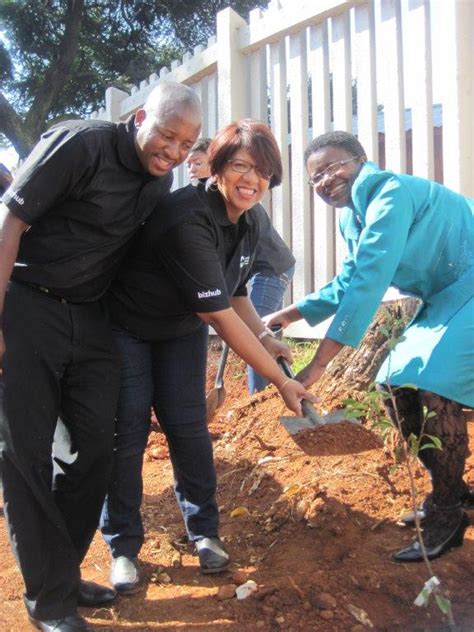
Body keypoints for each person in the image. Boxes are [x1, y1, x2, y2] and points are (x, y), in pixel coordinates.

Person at [0, 81, 202, 632]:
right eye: (168, 133)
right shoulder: (80, 143)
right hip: (26, 306)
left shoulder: (158, 186)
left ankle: (60, 575)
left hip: (90, 321)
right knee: (26, 458)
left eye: (187, 144)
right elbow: (9, 219)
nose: (175, 151)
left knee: (95, 452)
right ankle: (48, 599)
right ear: (140, 117)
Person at [100, 119, 315, 593]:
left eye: (261, 171)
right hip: (127, 328)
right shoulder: (187, 216)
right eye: (239, 165)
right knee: (127, 432)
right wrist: (280, 382)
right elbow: (218, 315)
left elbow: (236, 293)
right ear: (216, 167)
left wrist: (265, 335)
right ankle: (122, 547)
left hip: (179, 329)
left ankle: (205, 533)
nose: (250, 179)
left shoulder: (250, 219)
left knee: (189, 428)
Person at [265, 130, 474, 563]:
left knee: (434, 385)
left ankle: (449, 513)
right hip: (446, 295)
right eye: (315, 176)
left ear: (361, 160)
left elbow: (369, 278)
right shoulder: (351, 216)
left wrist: (319, 364)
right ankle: (455, 492)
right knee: (392, 384)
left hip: (468, 282)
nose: (325, 179)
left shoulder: (391, 193)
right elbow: (349, 279)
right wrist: (293, 313)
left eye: (334, 165)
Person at [185, 138, 296, 393]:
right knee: (254, 334)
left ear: (215, 162)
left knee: (256, 335)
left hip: (272, 269)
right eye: (189, 164)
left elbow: (231, 302)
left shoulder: (245, 209)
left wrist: (263, 337)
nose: (191, 169)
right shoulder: (202, 208)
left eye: (198, 163)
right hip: (250, 274)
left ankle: (260, 396)